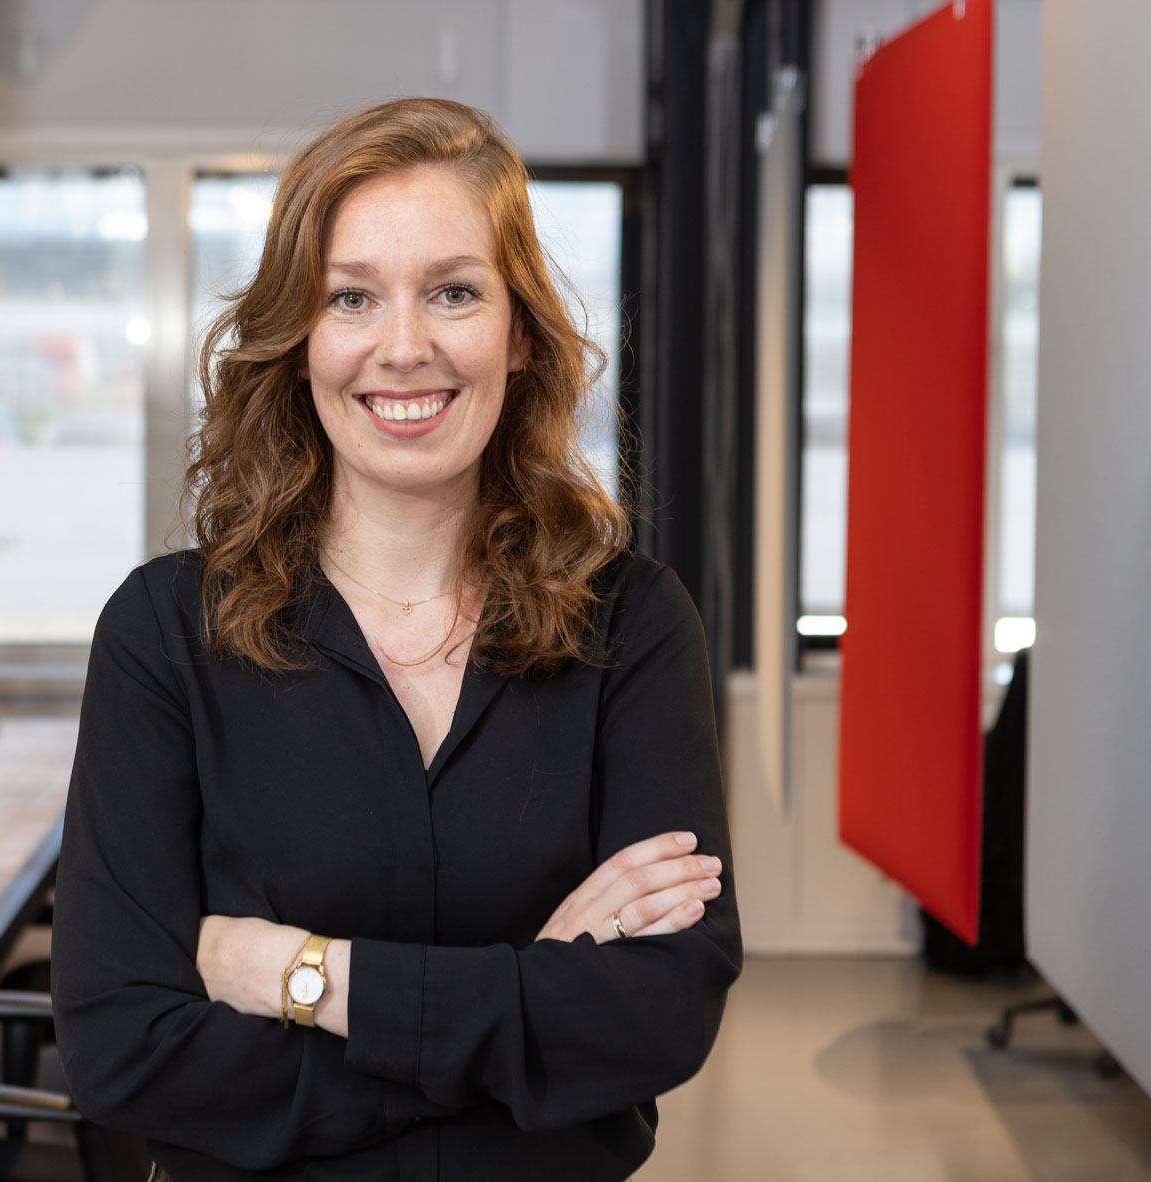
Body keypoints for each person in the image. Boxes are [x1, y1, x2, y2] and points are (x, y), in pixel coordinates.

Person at [51, 97, 742, 1181]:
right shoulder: (164, 633)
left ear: (520, 335)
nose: (404, 347)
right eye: (351, 297)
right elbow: (121, 1050)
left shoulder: (632, 622)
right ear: (298, 342)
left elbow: (660, 1013)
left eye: (454, 292)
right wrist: (524, 1006)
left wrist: (301, 977)